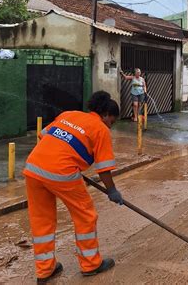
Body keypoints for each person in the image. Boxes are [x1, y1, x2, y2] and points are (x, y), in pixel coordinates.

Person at [23, 91, 123, 283]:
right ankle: (91, 264)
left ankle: (45, 271)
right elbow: (104, 168)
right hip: (61, 172)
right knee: (85, 215)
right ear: (105, 115)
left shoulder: (68, 114)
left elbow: (42, 135)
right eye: (112, 121)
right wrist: (112, 190)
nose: (111, 125)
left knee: (41, 220)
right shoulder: (101, 129)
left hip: (33, 168)